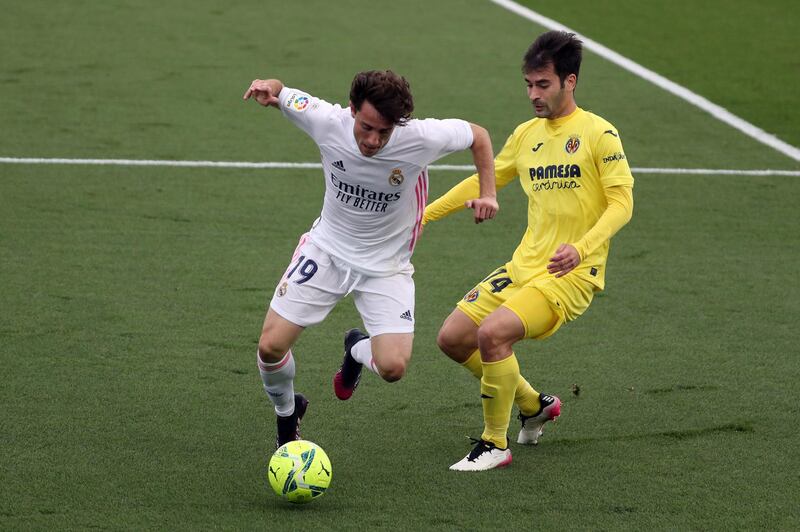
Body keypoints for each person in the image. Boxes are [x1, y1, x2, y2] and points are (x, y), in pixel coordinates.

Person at [243, 70, 499, 447]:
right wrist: (271, 88)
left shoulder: (421, 137)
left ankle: (355, 350)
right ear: (351, 110)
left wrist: (489, 192)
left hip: (387, 268)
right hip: (327, 251)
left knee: (393, 368)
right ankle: (287, 415)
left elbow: (479, 135)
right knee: (270, 348)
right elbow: (284, 93)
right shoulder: (326, 121)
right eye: (366, 128)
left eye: (384, 132)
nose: (373, 140)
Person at [422, 31, 634, 471]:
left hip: (571, 273)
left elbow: (622, 203)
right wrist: (422, 217)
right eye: (529, 84)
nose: (533, 94)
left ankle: (495, 444)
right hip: (524, 267)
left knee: (492, 335)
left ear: (569, 81)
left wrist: (582, 248)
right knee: (453, 338)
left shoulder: (599, 134)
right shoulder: (526, 135)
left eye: (543, 84)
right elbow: (483, 183)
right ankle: (535, 405)